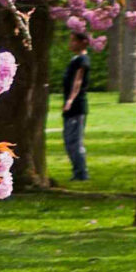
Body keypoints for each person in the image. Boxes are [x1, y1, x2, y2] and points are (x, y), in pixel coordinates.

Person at [60, 45, 91, 181]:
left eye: (73, 41)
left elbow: (78, 81)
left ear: (82, 42)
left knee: (75, 141)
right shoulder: (75, 59)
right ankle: (77, 171)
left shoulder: (83, 60)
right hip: (70, 106)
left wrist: (71, 100)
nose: (71, 43)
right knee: (68, 140)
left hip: (77, 106)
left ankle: (81, 173)